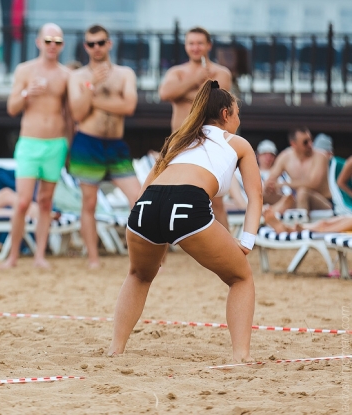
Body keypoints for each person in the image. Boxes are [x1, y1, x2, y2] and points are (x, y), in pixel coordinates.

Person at [108, 80, 261, 362]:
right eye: (237, 112)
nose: (239, 119)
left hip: (146, 206)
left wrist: (145, 221)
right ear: (226, 114)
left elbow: (144, 189)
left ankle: (115, 349)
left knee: (139, 275)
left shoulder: (179, 139)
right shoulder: (238, 143)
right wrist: (247, 241)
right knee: (241, 277)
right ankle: (242, 356)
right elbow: (256, 197)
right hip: (187, 203)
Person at [66, 24, 141, 268]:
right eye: (91, 44)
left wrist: (93, 99)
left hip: (116, 144)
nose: (96, 48)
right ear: (86, 47)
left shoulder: (124, 74)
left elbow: (129, 107)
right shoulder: (77, 77)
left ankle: (143, 255)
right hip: (88, 143)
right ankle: (93, 258)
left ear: (109, 44)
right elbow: (78, 113)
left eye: (101, 43)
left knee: (138, 198)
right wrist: (94, 87)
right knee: (89, 203)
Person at [1, 23, 70, 269]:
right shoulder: (25, 70)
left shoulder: (65, 75)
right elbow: (11, 108)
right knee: (22, 202)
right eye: (48, 40)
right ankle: (13, 257)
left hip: (56, 143)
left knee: (45, 201)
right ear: (39, 42)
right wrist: (26, 93)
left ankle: (40, 255)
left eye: (58, 41)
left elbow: (71, 113)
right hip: (30, 141)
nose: (53, 45)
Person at [158, 26, 233, 229]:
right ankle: (159, 256)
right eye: (191, 43)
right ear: (185, 46)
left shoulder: (221, 72)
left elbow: (216, 103)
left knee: (215, 199)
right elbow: (165, 93)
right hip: (179, 140)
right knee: (164, 192)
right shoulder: (177, 72)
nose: (195, 47)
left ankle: (229, 252)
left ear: (208, 45)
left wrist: (182, 93)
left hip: (208, 140)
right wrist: (196, 79)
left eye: (200, 43)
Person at [262, 126, 332, 217]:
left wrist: (283, 184)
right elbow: (271, 178)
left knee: (303, 192)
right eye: (305, 142)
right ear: (293, 144)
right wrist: (269, 185)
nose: (310, 144)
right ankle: (262, 221)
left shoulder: (320, 157)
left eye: (311, 140)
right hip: (298, 201)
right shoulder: (286, 157)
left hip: (323, 202)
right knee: (263, 194)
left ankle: (300, 226)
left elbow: (313, 184)